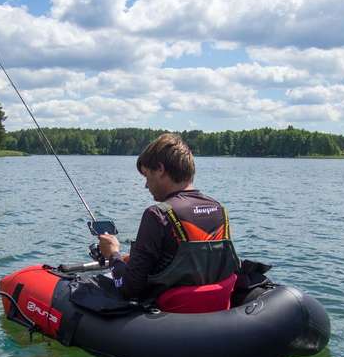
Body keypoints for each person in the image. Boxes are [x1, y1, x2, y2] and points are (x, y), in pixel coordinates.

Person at [98, 133, 240, 312]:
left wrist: (113, 254)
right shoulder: (219, 210)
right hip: (215, 312)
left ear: (160, 169)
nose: (146, 185)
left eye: (147, 175)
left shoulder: (157, 214)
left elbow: (130, 288)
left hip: (170, 319)